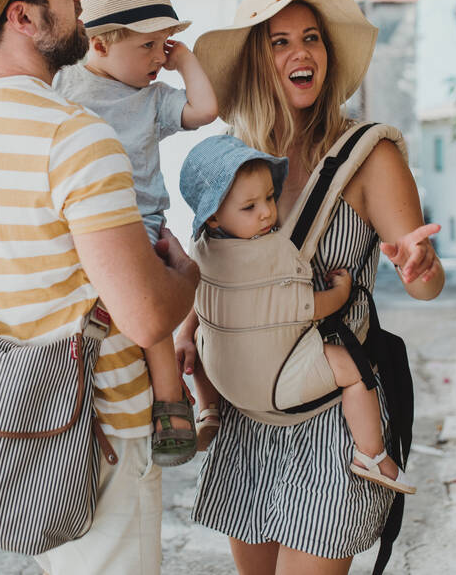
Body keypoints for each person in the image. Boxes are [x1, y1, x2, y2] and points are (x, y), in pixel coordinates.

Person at [0, 0, 199, 575]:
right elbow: (146, 314)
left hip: (16, 416)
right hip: (99, 426)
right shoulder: (77, 137)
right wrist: (188, 275)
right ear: (23, 18)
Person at [175, 0, 443, 574]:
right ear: (254, 60)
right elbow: (219, 264)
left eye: (312, 39)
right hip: (249, 408)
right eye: (280, 42)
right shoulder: (230, 157)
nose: (302, 53)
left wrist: (418, 266)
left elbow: (426, 282)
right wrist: (190, 328)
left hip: (332, 409)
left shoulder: (370, 155)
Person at [178, 134, 416, 494]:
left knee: (203, 337)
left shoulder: (201, 249)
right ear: (213, 217)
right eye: (250, 207)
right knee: (354, 370)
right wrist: (340, 293)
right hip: (277, 382)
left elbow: (198, 299)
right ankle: (371, 454)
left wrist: (184, 334)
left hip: (225, 380)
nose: (267, 213)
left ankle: (208, 410)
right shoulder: (270, 255)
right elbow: (306, 308)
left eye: (270, 198)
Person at [54, 0, 219, 466]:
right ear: (100, 44)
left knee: (150, 324)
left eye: (164, 44)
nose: (157, 57)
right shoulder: (66, 84)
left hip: (142, 225)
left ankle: (171, 402)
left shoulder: (152, 99)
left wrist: (184, 57)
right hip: (83, 224)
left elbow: (206, 109)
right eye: (147, 46)